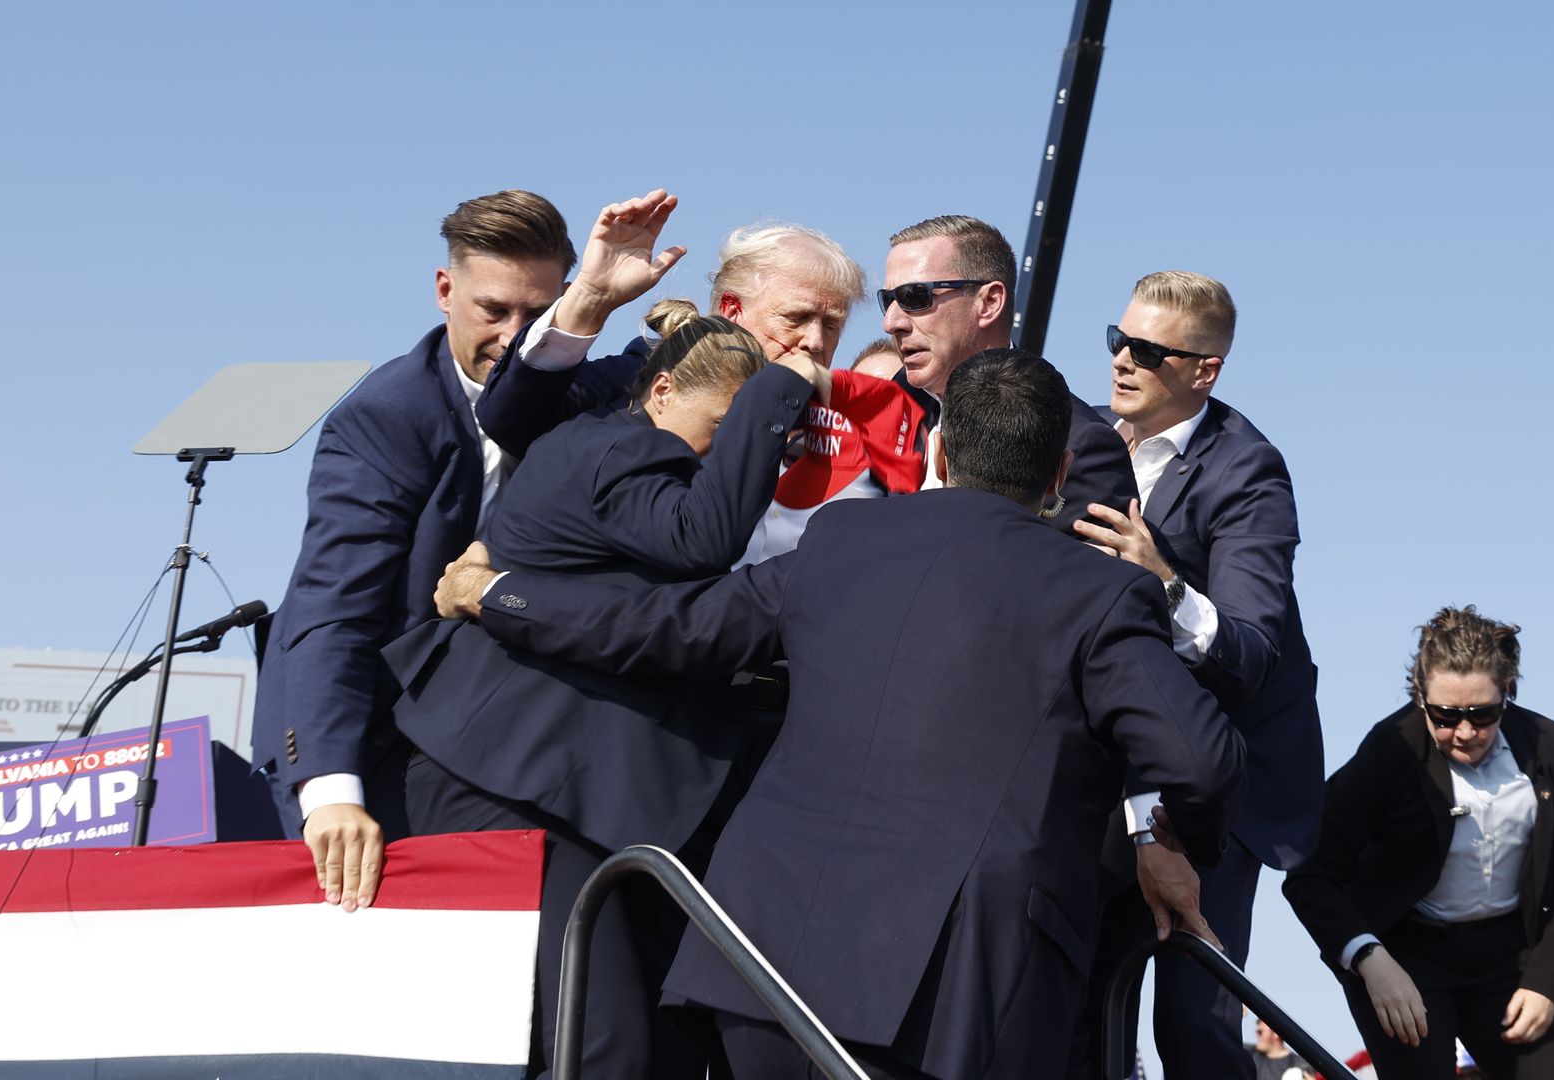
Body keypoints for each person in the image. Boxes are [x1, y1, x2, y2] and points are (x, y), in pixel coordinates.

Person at [432, 348, 1248, 1080]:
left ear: (937, 451)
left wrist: (499, 593)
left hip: (763, 966)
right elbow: (1202, 759)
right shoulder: (1100, 592)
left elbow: (668, 631)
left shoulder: (838, 541)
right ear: (1062, 472)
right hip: (951, 995)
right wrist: (1178, 842)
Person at [387, 305, 825, 1080]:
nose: (730, 449)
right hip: (529, 787)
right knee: (599, 1049)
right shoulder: (622, 449)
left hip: (563, 788)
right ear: (659, 393)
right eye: (721, 421)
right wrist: (781, 387)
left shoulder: (612, 444)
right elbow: (701, 540)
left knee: (618, 1045)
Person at [252, 187, 682, 910]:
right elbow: (332, 612)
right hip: (376, 742)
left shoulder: (583, 389)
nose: (514, 336)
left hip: (503, 740)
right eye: (493, 311)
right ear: (445, 291)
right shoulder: (384, 420)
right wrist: (329, 790)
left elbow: (672, 373)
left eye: (536, 314)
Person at [1074, 269, 1325, 1077]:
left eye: (1148, 351)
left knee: (1192, 1023)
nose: (1122, 361)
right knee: (1077, 996)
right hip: (1115, 765)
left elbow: (1249, 652)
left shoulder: (1248, 472)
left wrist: (1165, 582)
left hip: (1220, 779)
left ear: (1204, 370)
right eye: (1119, 340)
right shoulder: (1081, 442)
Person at [1283, 605, 1554, 1079]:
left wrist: (1549, 983)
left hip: (1510, 960)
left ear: (1508, 691)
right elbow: (1309, 873)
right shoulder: (1388, 751)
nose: (1465, 732)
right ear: (1420, 695)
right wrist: (1369, 958)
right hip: (1405, 960)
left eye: (1483, 713)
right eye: (1446, 715)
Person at [878, 214, 1137, 537]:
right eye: (887, 301)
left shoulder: (1079, 443)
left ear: (989, 302)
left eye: (915, 297)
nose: (891, 322)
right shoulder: (888, 408)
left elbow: (1079, 581)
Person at [700, 224, 929, 568]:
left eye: (832, 324)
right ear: (731, 312)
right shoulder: (660, 410)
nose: (816, 342)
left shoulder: (868, 443)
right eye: (796, 318)